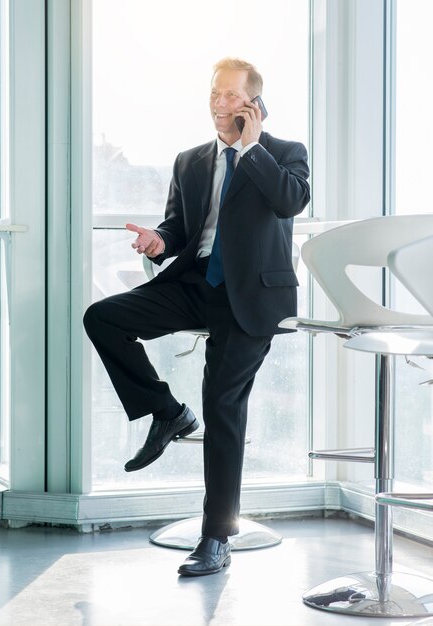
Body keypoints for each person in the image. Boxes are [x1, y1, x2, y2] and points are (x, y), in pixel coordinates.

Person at [83, 57, 310, 577]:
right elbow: (179, 230)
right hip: (193, 283)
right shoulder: (189, 161)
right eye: (215, 93)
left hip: (250, 295)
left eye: (231, 96)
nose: (219, 103)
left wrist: (251, 148)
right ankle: (165, 411)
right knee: (103, 317)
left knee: (223, 403)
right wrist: (159, 241)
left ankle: (216, 537)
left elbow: (290, 201)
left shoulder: (282, 154)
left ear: (254, 104)